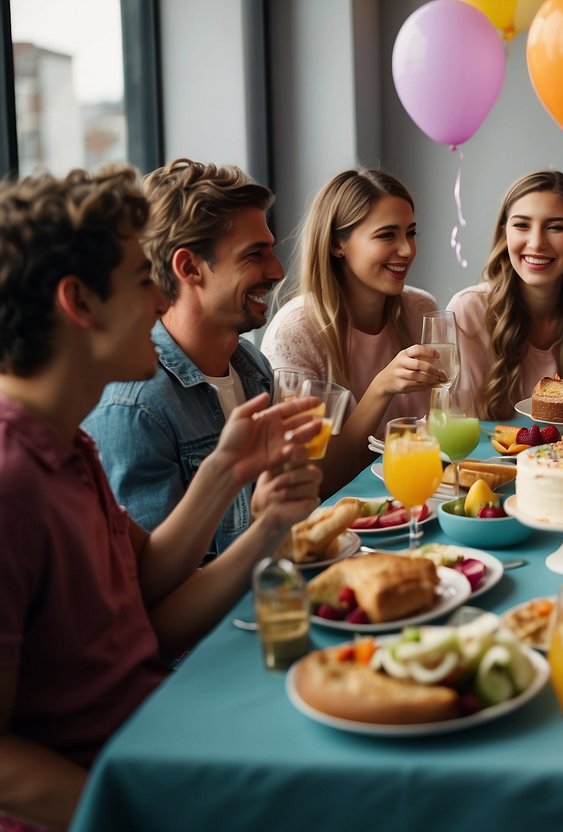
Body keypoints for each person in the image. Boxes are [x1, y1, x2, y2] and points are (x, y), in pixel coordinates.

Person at [0, 168, 322, 831]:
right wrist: (134, 813)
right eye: (143, 282)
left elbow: (143, 599)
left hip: (162, 736)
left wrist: (244, 496)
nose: (159, 304)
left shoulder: (68, 447)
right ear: (79, 304)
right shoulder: (12, 482)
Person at [82, 159, 290, 558]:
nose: (277, 270)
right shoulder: (135, 407)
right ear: (189, 267)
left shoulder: (254, 367)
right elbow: (159, 590)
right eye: (255, 254)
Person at [261, 169, 445, 492]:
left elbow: (440, 433)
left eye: (411, 233)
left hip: (420, 499)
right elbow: (314, 482)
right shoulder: (293, 336)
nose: (407, 250)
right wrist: (381, 388)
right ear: (337, 244)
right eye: (387, 235)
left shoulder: (421, 310)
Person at [448, 169, 563, 420]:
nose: (536, 242)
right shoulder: (467, 311)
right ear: (504, 235)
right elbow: (459, 421)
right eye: (521, 225)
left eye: (555, 227)